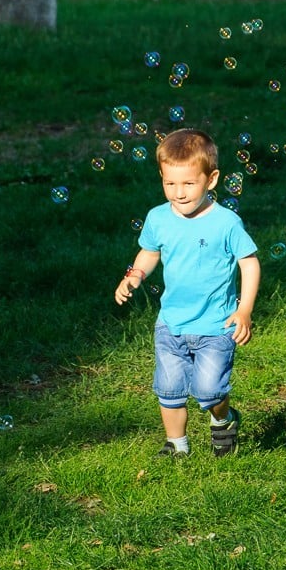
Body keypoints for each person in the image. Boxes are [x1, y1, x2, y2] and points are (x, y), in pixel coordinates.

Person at [115, 128, 261, 456]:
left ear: (211, 180)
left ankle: (223, 419)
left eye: (188, 184)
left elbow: (249, 264)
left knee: (210, 391)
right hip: (171, 323)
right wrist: (135, 274)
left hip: (216, 325)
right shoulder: (158, 218)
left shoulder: (226, 223)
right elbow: (150, 252)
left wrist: (244, 309)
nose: (178, 193)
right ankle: (177, 445)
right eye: (170, 184)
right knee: (168, 389)